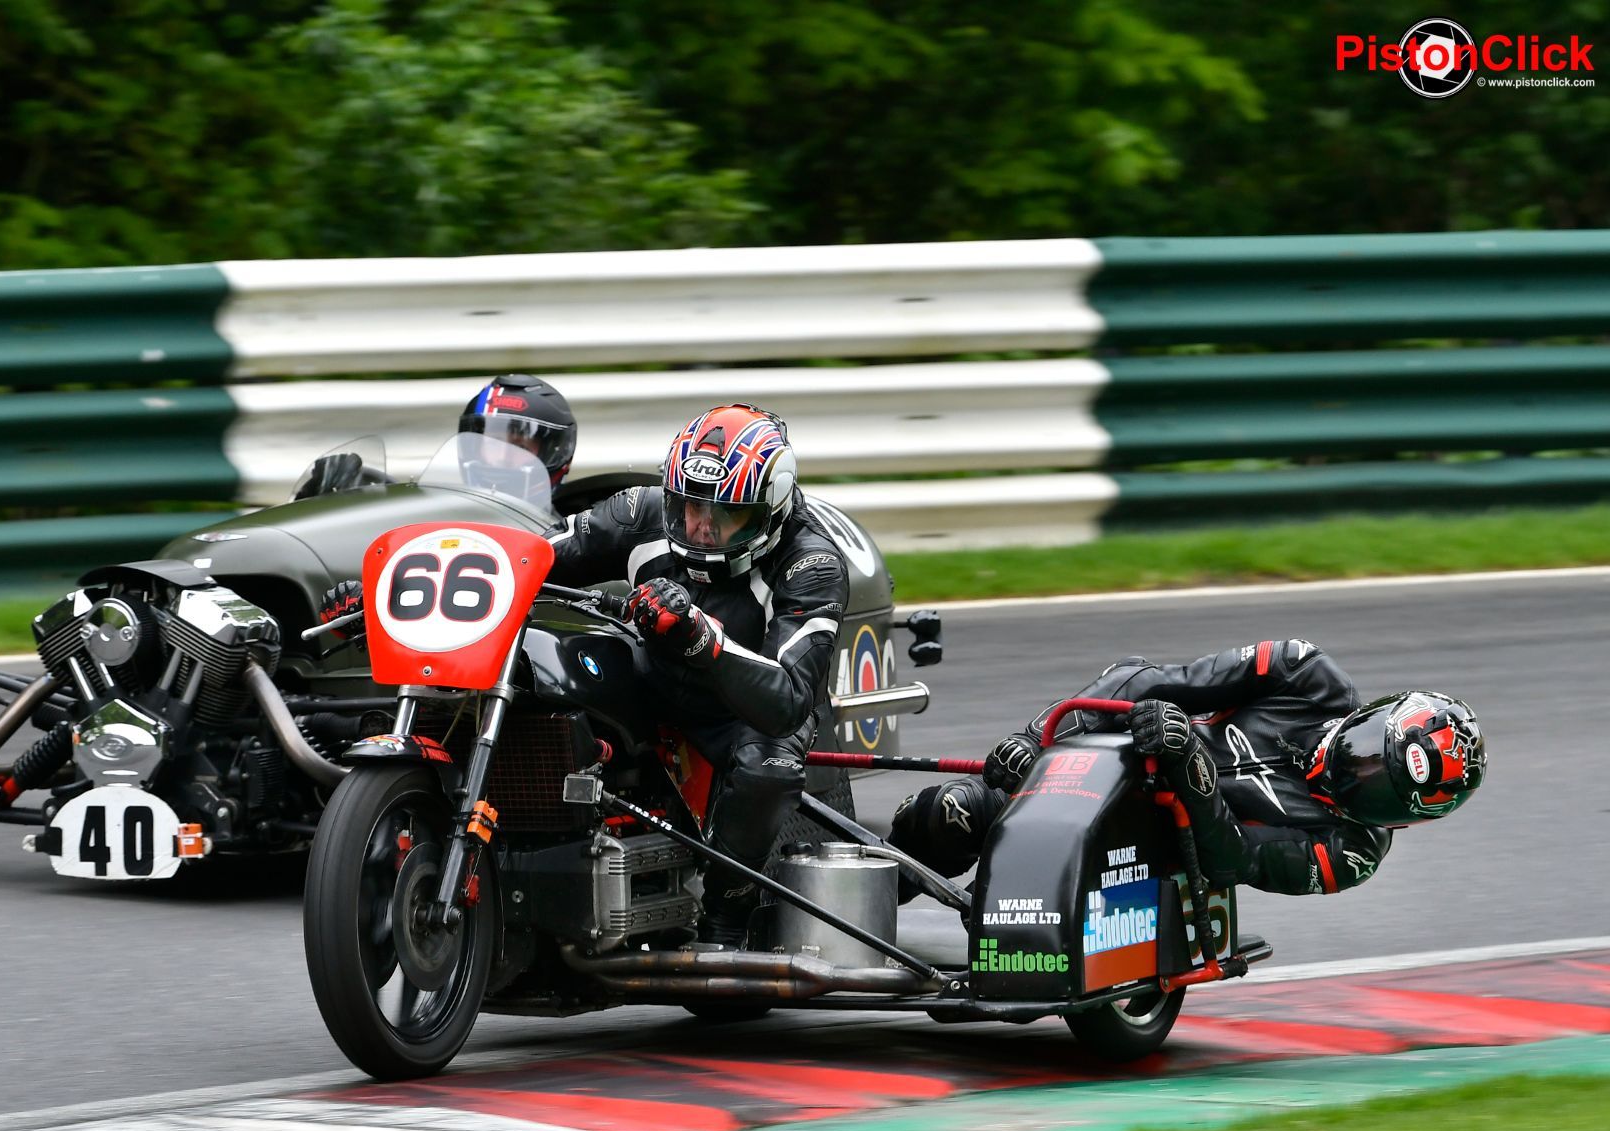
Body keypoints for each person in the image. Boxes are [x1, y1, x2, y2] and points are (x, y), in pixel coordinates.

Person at [318, 403, 848, 944]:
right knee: (546, 668)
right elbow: (523, 559)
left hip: (744, 709)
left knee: (768, 763)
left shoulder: (810, 563)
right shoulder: (640, 514)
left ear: (770, 511)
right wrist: (391, 596)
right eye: (688, 506)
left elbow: (788, 697)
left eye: (724, 516)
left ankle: (727, 914)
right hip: (655, 674)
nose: (700, 528)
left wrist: (700, 636)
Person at [889, 640, 1485, 899]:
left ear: (1403, 821)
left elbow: (1233, 863)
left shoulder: (1351, 852)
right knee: (949, 813)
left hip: (1150, 859)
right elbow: (1145, 679)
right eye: (1366, 754)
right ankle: (871, 901)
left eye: (1381, 791)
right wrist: (1033, 743)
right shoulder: (1307, 674)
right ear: (1372, 716)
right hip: (1092, 773)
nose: (1359, 775)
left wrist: (1192, 768)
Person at [291, 372, 579, 501]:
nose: (503, 456)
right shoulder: (439, 511)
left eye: (519, 445)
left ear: (553, 453)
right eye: (493, 444)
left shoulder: (573, 539)